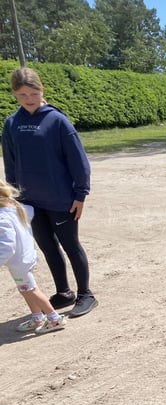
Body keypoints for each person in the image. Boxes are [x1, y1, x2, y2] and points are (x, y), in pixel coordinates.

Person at [2, 67, 97, 317]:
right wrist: (11, 197)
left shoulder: (57, 121)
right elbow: (10, 163)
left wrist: (80, 195)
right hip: (29, 203)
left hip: (61, 200)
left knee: (70, 245)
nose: (29, 99)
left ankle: (86, 294)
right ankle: (64, 292)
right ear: (15, 94)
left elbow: (79, 161)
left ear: (41, 90)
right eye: (23, 94)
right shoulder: (11, 124)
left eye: (33, 93)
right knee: (48, 247)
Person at [0, 180, 66, 333]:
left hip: (19, 262)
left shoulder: (2, 217)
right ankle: (37, 317)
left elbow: (7, 245)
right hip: (24, 258)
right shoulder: (15, 208)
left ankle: (54, 318)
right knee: (25, 289)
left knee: (30, 290)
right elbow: (29, 210)